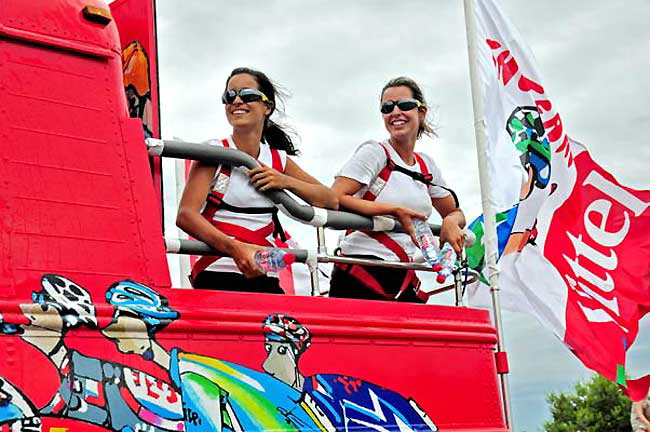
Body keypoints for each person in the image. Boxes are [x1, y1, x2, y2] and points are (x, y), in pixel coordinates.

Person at [177, 67, 337, 293]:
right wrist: (235, 248)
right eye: (229, 96)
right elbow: (186, 215)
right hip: (217, 272)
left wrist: (285, 181)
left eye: (248, 95)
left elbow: (330, 199)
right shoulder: (214, 151)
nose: (237, 101)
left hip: (264, 275)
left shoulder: (277, 159)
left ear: (267, 107)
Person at [330, 77, 465, 302]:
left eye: (404, 105)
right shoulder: (375, 152)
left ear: (421, 112)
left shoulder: (426, 166)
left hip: (401, 274)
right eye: (387, 107)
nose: (395, 112)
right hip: (361, 269)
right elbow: (335, 196)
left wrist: (451, 222)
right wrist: (394, 211)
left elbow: (455, 212)